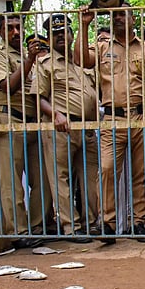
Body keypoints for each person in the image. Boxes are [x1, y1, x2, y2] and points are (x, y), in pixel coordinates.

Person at [77, 0, 145, 242]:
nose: (120, 18)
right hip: (112, 118)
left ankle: (139, 223)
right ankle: (108, 224)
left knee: (141, 173)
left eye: (124, 14)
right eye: (115, 15)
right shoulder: (101, 47)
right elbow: (80, 60)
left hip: (143, 116)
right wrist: (84, 25)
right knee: (108, 169)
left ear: (134, 18)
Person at [32, 13, 102, 244]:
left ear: (72, 35)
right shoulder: (45, 63)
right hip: (61, 127)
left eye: (65, 32)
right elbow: (38, 98)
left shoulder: (83, 60)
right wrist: (56, 114)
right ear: (49, 39)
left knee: (90, 177)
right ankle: (71, 226)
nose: (61, 37)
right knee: (60, 177)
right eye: (56, 34)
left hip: (88, 127)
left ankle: (93, 223)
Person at [0, 14, 48, 249]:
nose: (16, 32)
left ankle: (38, 226)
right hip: (7, 119)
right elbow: (8, 86)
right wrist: (29, 59)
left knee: (43, 179)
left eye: (18, 27)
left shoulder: (23, 55)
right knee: (11, 181)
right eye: (9, 28)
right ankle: (18, 232)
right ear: (0, 31)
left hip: (31, 123)